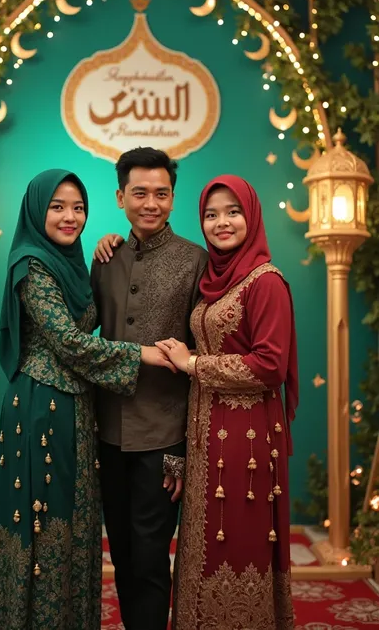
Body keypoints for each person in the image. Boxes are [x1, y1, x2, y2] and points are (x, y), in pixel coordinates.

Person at [0, 169, 173, 630]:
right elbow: (70, 342)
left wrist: (108, 249)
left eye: (78, 207)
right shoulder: (31, 265)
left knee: (75, 533)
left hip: (74, 410)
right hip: (41, 412)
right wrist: (143, 354)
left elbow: (87, 319)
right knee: (43, 533)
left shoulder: (69, 262)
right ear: (36, 210)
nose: (70, 217)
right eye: (57, 206)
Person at [156, 175, 298, 630]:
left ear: (251, 216)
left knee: (238, 537)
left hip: (246, 440)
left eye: (233, 212)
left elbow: (270, 365)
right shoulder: (212, 278)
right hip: (203, 437)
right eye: (211, 214)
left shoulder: (266, 281)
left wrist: (193, 364)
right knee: (201, 542)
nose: (221, 223)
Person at [91, 147, 208, 630]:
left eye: (162, 193)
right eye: (140, 193)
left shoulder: (194, 260)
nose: (151, 203)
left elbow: (202, 350)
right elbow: (87, 331)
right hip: (107, 430)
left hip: (164, 435)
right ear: (121, 197)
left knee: (152, 555)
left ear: (173, 199)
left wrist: (184, 448)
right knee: (120, 550)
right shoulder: (105, 256)